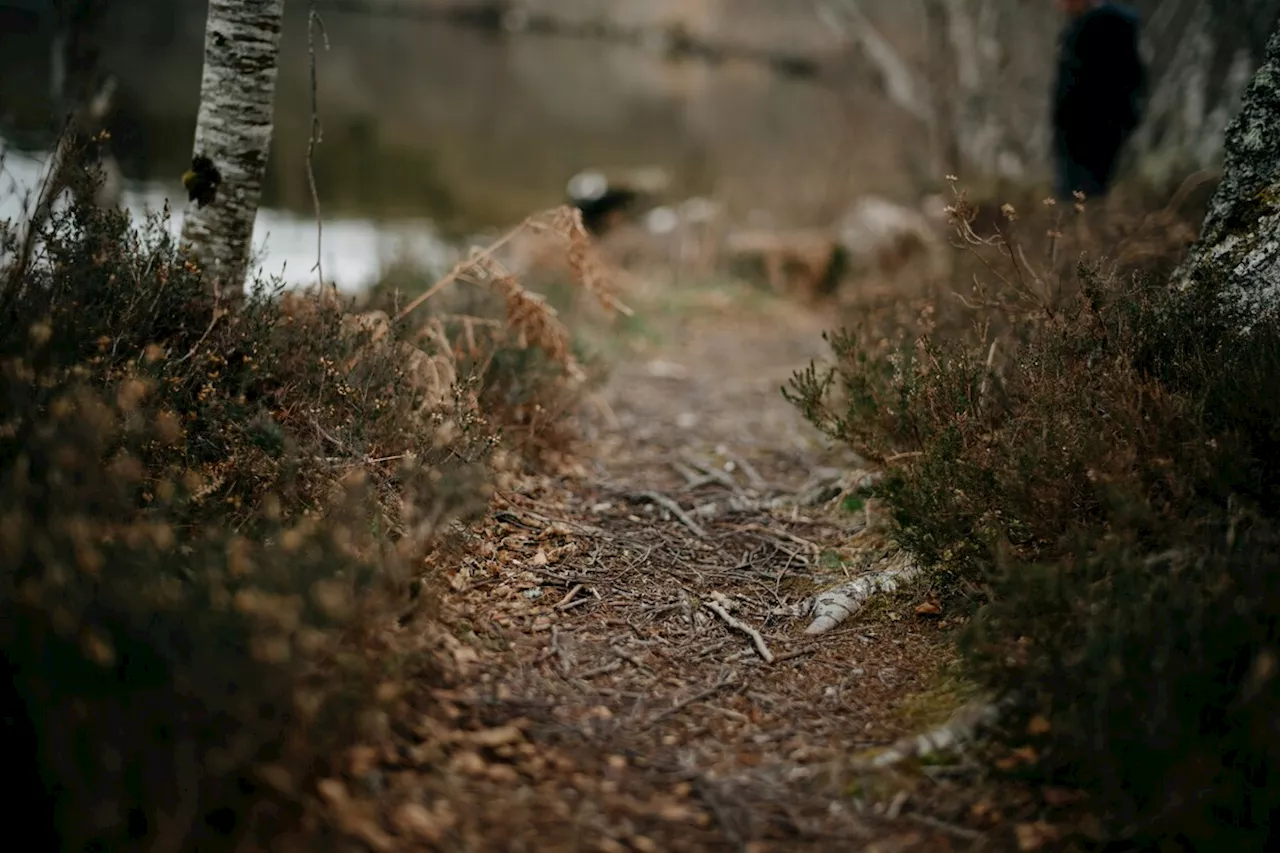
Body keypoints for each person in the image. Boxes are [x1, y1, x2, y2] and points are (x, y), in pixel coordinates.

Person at [1050, 0, 1147, 202]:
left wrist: (1122, 118)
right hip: (1077, 130)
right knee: (1076, 194)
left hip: (1096, 128)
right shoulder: (1077, 27)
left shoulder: (1108, 24)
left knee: (1087, 194)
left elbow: (1126, 78)